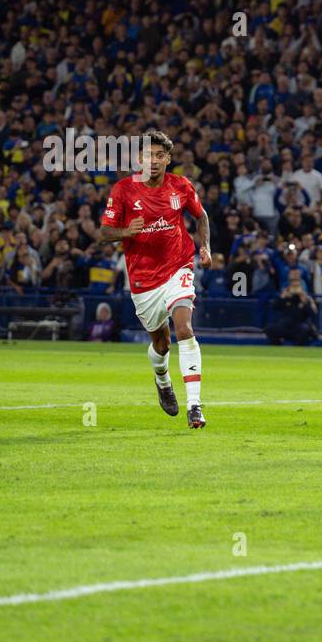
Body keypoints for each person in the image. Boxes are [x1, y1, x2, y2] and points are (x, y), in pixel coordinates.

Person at [99, 129, 212, 428]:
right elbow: (104, 233)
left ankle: (195, 406)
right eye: (148, 155)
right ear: (139, 159)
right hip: (143, 280)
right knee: (161, 343)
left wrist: (205, 247)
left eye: (160, 155)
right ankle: (162, 380)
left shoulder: (181, 186)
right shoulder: (123, 190)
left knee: (184, 327)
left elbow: (201, 216)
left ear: (168, 159)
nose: (154, 160)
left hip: (178, 266)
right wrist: (126, 232)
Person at [265, 273, 317, 346]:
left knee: (304, 330)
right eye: (293, 285)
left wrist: (305, 302)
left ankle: (299, 351)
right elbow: (274, 307)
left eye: (297, 286)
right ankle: (277, 348)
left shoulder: (306, 298)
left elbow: (313, 314)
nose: (295, 288)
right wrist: (282, 297)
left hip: (299, 325)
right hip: (285, 325)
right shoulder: (285, 296)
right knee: (269, 329)